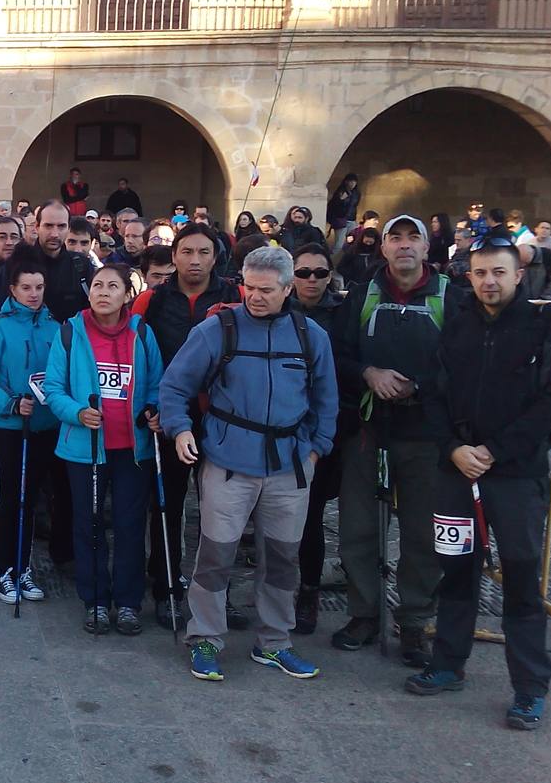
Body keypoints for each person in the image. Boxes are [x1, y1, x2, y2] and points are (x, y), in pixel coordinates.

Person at [408, 236, 551, 730]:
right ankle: (447, 664)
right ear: (470, 276)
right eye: (480, 272)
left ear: (518, 275)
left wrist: (495, 451)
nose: (489, 281)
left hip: (515, 476)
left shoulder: (547, 327)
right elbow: (433, 395)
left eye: (499, 272)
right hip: (456, 473)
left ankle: (529, 687)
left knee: (521, 579)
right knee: (456, 570)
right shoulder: (457, 325)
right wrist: (453, 449)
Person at [160, 245, 338, 681]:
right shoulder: (216, 329)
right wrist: (180, 429)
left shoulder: (311, 335)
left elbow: (326, 398)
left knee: (281, 559)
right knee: (215, 556)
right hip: (228, 463)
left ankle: (274, 642)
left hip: (289, 466)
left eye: (266, 290)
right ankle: (204, 637)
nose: (255, 297)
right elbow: (174, 386)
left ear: (287, 288)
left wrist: (316, 449)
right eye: (249, 288)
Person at [330, 215, 458, 665]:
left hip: (426, 435)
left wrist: (418, 385)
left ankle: (415, 621)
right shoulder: (362, 295)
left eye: (413, 237)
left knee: (422, 531)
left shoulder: (451, 297)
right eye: (395, 238)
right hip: (369, 430)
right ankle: (363, 613)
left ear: (426, 247)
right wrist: (369, 374)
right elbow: (338, 353)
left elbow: (461, 361)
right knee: (358, 527)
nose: (404, 245)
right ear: (382, 247)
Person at [129, 224, 242, 629]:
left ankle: (217, 594)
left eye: (204, 252)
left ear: (216, 257)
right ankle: (166, 588)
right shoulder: (151, 300)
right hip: (169, 417)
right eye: (187, 252)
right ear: (173, 256)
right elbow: (136, 356)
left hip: (224, 419)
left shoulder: (236, 296)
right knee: (168, 506)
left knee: (221, 511)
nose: (195, 260)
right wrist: (149, 406)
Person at [42, 263, 162, 635]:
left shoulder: (142, 332)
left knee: (129, 525)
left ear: (127, 294)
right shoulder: (70, 332)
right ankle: (94, 600)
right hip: (86, 448)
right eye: (97, 285)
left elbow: (157, 383)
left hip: (133, 450)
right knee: (89, 525)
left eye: (112, 286)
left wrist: (153, 409)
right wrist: (77, 413)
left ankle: (127, 603)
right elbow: (53, 388)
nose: (103, 292)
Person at [0, 259, 59, 603]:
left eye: (39, 287)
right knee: (6, 497)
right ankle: (2, 570)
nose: (33, 294)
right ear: (13, 290)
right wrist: (9, 403)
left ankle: (23, 568)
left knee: (29, 499)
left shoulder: (56, 328)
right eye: (26, 287)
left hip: (43, 426)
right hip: (7, 425)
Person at [287, 242, 349, 636]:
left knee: (312, 515)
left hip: (325, 427)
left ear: (330, 276)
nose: (311, 279)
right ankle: (272, 591)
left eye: (320, 273)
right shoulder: (277, 308)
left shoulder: (343, 316)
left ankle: (308, 590)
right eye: (303, 272)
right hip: (280, 426)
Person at [36, 202, 92, 322]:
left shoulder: (81, 265)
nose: (55, 234)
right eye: (48, 226)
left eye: (61, 226)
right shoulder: (18, 263)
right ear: (37, 227)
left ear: (68, 229)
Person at [326, 174, 361, 250]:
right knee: (339, 244)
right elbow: (333, 205)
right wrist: (340, 200)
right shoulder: (341, 192)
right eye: (350, 181)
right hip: (341, 219)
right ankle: (336, 256)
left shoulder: (356, 193)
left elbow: (355, 205)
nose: (352, 184)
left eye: (354, 182)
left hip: (351, 219)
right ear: (346, 182)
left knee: (353, 242)